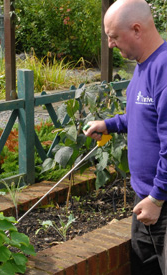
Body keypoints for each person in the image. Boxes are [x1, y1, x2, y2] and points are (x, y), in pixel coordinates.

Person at [84, 0, 167, 274]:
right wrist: (109, 124)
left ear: (136, 29)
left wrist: (157, 198)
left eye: (114, 37)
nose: (110, 45)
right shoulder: (143, 65)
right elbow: (142, 115)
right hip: (145, 197)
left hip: (161, 201)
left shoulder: (164, 69)